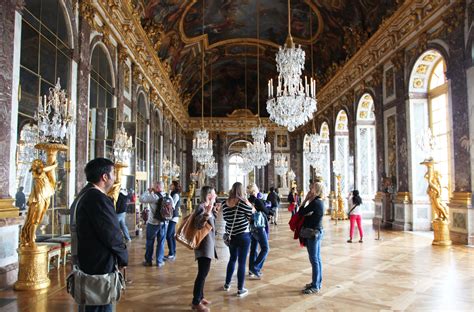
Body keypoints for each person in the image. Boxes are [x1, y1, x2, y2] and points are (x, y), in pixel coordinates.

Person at [71, 158, 128, 312]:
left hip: (89, 260)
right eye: (113, 173)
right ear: (104, 177)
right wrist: (123, 256)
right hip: (99, 266)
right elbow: (111, 234)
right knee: (100, 304)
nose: (115, 177)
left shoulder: (85, 194)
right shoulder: (97, 199)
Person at [191, 186, 221, 312]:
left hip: (208, 244)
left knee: (203, 272)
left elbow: (210, 223)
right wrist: (207, 213)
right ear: (209, 195)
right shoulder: (201, 207)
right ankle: (196, 302)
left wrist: (213, 211)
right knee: (202, 273)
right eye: (214, 194)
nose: (215, 195)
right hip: (203, 245)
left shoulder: (207, 206)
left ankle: (200, 296)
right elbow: (198, 225)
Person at [222, 182, 254, 298]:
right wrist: (247, 202)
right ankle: (240, 289)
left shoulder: (224, 203)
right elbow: (252, 214)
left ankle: (227, 284)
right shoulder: (242, 203)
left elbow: (225, 217)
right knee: (241, 262)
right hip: (243, 236)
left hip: (231, 236)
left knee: (232, 259)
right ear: (241, 191)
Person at [298, 181, 324, 295]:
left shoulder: (315, 202)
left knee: (314, 260)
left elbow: (301, 212)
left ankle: (315, 286)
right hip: (317, 231)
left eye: (312, 187)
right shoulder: (319, 201)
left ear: (316, 190)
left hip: (312, 233)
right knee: (317, 259)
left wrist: (305, 200)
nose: (310, 189)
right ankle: (317, 282)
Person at [140, 181, 174, 267]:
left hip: (153, 223)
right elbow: (172, 207)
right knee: (161, 242)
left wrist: (148, 191)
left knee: (150, 241)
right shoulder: (168, 196)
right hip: (164, 223)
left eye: (154, 187)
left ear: (156, 187)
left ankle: (148, 261)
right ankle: (159, 261)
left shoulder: (153, 196)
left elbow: (141, 199)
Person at [247, 184, 270, 279]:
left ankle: (251, 269)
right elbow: (266, 211)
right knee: (265, 248)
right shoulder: (257, 201)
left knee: (254, 248)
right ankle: (255, 267)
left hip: (252, 226)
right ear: (255, 191)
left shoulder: (248, 201)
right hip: (259, 226)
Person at [165, 180, 181, 261]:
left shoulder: (175, 195)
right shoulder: (173, 194)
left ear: (174, 186)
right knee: (171, 235)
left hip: (173, 217)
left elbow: (172, 206)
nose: (170, 185)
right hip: (172, 217)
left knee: (168, 235)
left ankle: (171, 253)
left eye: (171, 184)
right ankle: (172, 252)